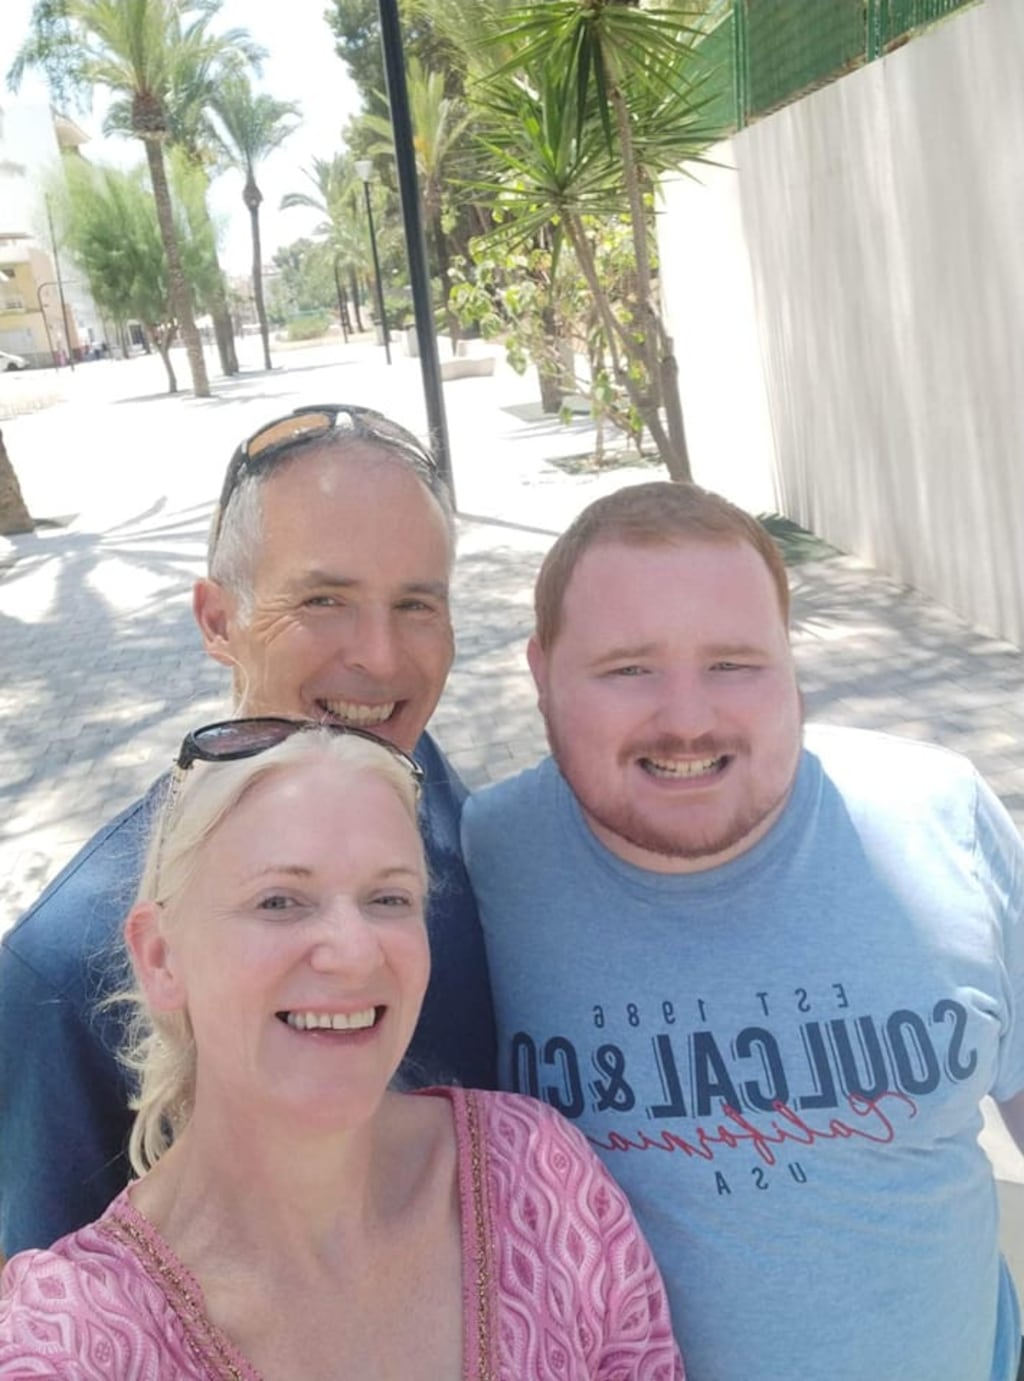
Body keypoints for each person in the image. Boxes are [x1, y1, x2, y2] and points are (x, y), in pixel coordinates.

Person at [462, 480, 1024, 1381]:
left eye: (734, 663)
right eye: (628, 668)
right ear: (541, 674)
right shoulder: (483, 863)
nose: (688, 719)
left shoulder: (940, 816)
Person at [0, 721, 683, 1377]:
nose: (355, 953)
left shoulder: (541, 1182)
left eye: (389, 897)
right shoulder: (74, 1338)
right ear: (160, 956)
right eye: (280, 901)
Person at [0, 404, 495, 1258]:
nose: (380, 656)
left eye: (417, 604)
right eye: (323, 599)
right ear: (218, 621)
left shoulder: (459, 811)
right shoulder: (70, 958)